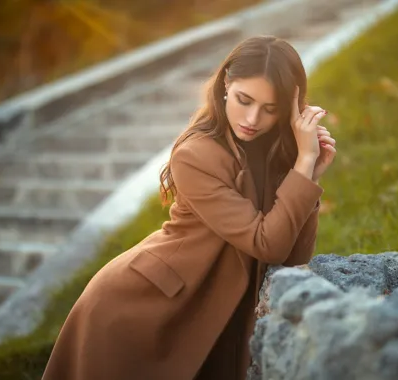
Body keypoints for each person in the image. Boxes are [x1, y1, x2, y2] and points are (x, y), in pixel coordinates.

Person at [42, 35, 336, 380]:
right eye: (244, 100)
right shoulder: (196, 155)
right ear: (226, 84)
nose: (253, 118)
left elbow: (289, 258)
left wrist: (308, 174)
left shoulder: (274, 152)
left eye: (270, 109)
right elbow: (266, 243)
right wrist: (302, 167)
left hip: (207, 312)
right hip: (143, 311)